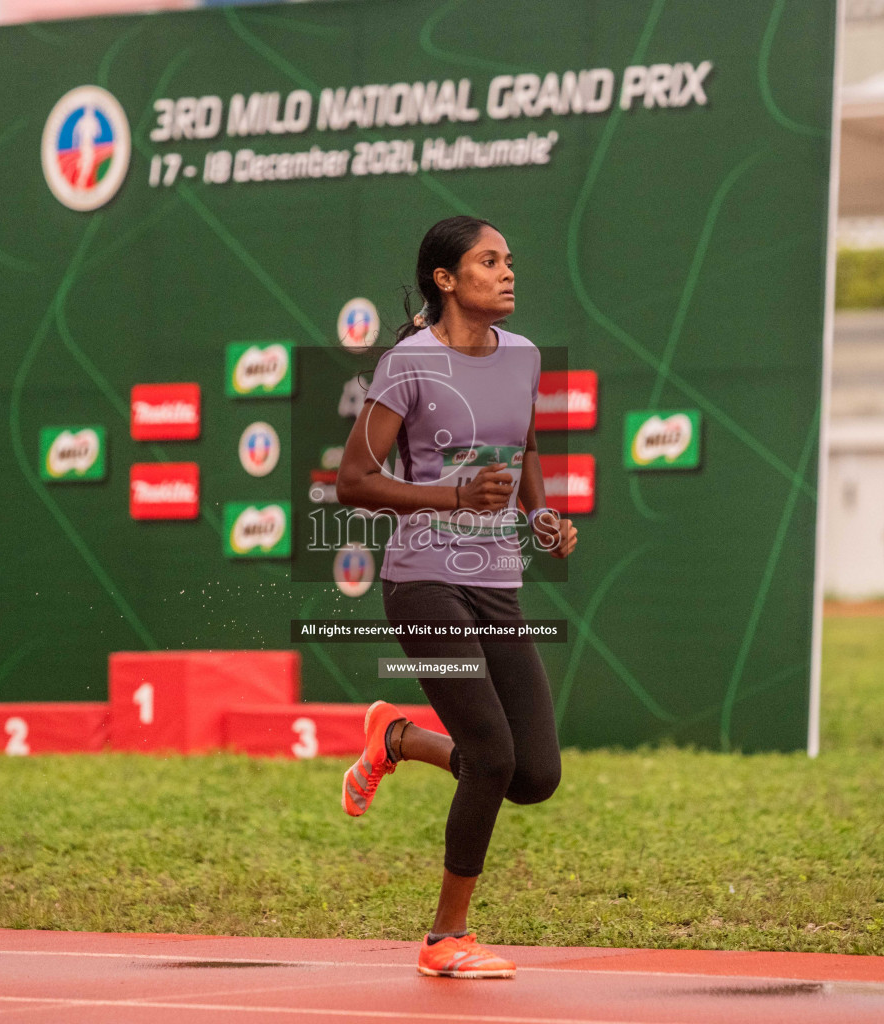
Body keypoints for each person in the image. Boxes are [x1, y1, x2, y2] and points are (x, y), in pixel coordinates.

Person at [335, 216, 578, 980]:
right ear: (446, 280)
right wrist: (453, 496)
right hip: (423, 581)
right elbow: (353, 482)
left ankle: (397, 738)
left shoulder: (525, 356)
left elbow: (527, 443)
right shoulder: (410, 364)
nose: (507, 272)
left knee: (533, 775)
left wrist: (538, 516)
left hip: (498, 584)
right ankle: (446, 939)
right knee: (492, 754)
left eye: (509, 260)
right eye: (488, 261)